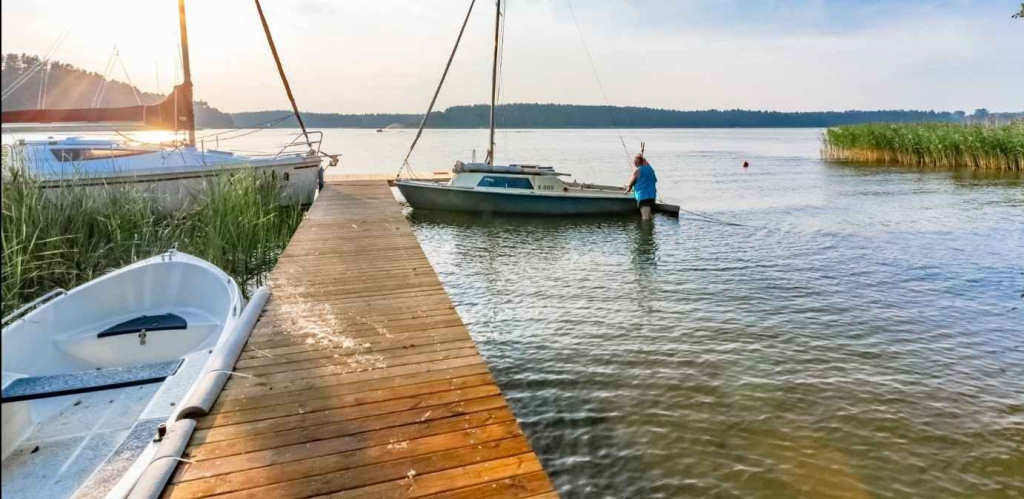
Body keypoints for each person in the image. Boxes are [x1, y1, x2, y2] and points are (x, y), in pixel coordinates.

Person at [625, 154, 657, 220]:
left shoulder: (637, 170)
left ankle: (645, 229)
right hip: (652, 195)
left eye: (635, 161)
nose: (633, 163)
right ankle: (651, 229)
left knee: (645, 217)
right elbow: (655, 180)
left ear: (637, 162)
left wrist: (629, 188)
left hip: (643, 196)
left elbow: (632, 182)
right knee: (649, 215)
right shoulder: (650, 169)